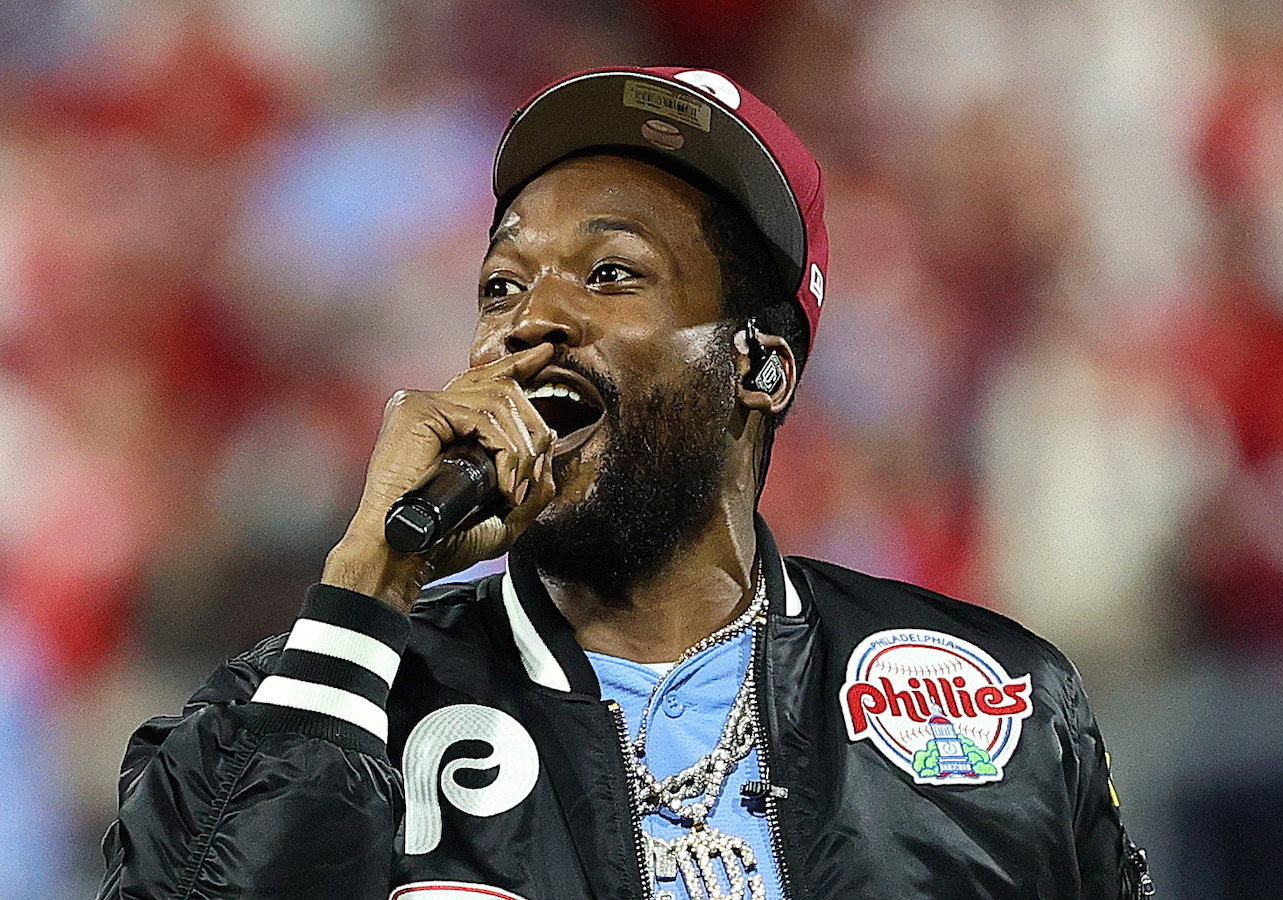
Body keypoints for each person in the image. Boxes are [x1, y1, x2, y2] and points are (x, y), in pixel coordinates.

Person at [98, 66, 1153, 900]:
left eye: (611, 273)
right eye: (501, 284)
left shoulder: (997, 707)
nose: (528, 320)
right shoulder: (316, 699)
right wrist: (370, 578)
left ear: (760, 365)